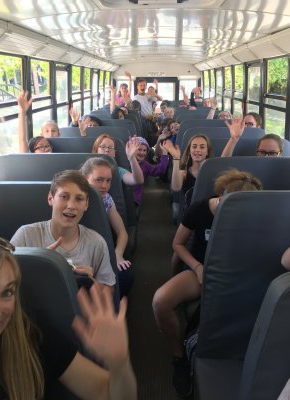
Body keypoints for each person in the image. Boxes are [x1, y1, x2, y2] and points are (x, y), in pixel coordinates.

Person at [152, 169, 262, 398]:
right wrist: (198, 267)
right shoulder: (201, 209)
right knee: (161, 301)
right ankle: (179, 356)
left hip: (244, 274)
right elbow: (178, 244)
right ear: (220, 197)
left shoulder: (261, 214)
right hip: (203, 269)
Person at [0, 236, 137, 400]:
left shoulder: (32, 335)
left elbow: (110, 395)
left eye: (7, 293)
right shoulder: (26, 232)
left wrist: (119, 365)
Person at [11, 170, 116, 293]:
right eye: (64, 197)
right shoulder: (26, 235)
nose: (71, 205)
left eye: (79, 199)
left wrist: (92, 283)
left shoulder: (96, 242)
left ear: (86, 204)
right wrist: (39, 263)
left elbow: (109, 290)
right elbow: (2, 281)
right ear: (51, 198)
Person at [80, 157, 134, 298]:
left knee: (125, 275)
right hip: (78, 254)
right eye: (99, 180)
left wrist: (118, 253)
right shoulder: (73, 200)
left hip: (100, 251)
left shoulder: (107, 199)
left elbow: (122, 231)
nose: (105, 186)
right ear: (85, 179)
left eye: (108, 181)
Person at [133, 137, 169, 206]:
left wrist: (164, 154)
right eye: (139, 149)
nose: (142, 152)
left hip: (135, 198)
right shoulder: (125, 162)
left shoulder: (145, 165)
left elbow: (159, 170)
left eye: (144, 150)